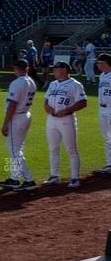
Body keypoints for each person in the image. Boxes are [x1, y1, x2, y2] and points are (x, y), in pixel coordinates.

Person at [43, 61, 87, 189]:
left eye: (56, 69)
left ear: (64, 70)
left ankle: (75, 179)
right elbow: (46, 101)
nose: (54, 71)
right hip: (51, 120)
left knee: (71, 150)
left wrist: (67, 110)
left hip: (67, 120)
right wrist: (48, 109)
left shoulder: (75, 85)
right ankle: (54, 176)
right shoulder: (52, 84)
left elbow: (83, 102)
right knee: (53, 148)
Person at [0, 59, 38, 191]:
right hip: (25, 115)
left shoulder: (17, 83)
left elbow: (12, 104)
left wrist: (5, 123)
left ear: (16, 69)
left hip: (17, 117)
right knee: (16, 149)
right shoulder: (31, 82)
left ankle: (29, 179)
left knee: (14, 151)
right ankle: (14, 178)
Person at [93, 54, 111, 176]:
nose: (98, 65)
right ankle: (109, 163)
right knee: (107, 138)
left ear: (105, 63)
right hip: (102, 109)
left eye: (99, 63)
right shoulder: (102, 76)